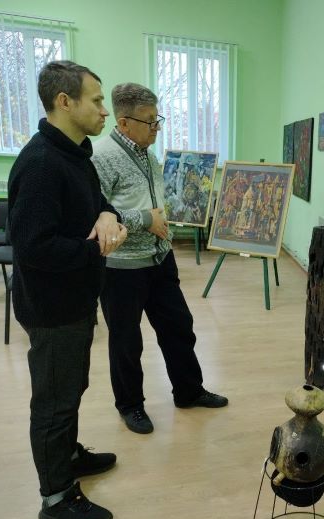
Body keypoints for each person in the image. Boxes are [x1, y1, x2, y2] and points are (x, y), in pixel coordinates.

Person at [8, 61, 127, 519]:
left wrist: (107, 215)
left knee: (71, 388)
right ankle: (56, 498)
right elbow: (34, 247)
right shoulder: (41, 163)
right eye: (96, 101)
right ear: (65, 102)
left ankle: (69, 457)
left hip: (75, 300)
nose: (104, 110)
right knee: (55, 402)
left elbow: (98, 204)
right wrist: (96, 247)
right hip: (52, 308)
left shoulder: (76, 155)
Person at [92, 83, 227, 435]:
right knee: (126, 341)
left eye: (158, 119)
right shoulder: (101, 157)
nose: (157, 127)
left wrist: (163, 219)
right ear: (124, 122)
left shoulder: (148, 154)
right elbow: (96, 214)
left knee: (179, 327)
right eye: (150, 121)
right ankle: (130, 406)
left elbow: (150, 202)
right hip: (122, 268)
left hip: (160, 259)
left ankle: (189, 391)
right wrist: (145, 220)